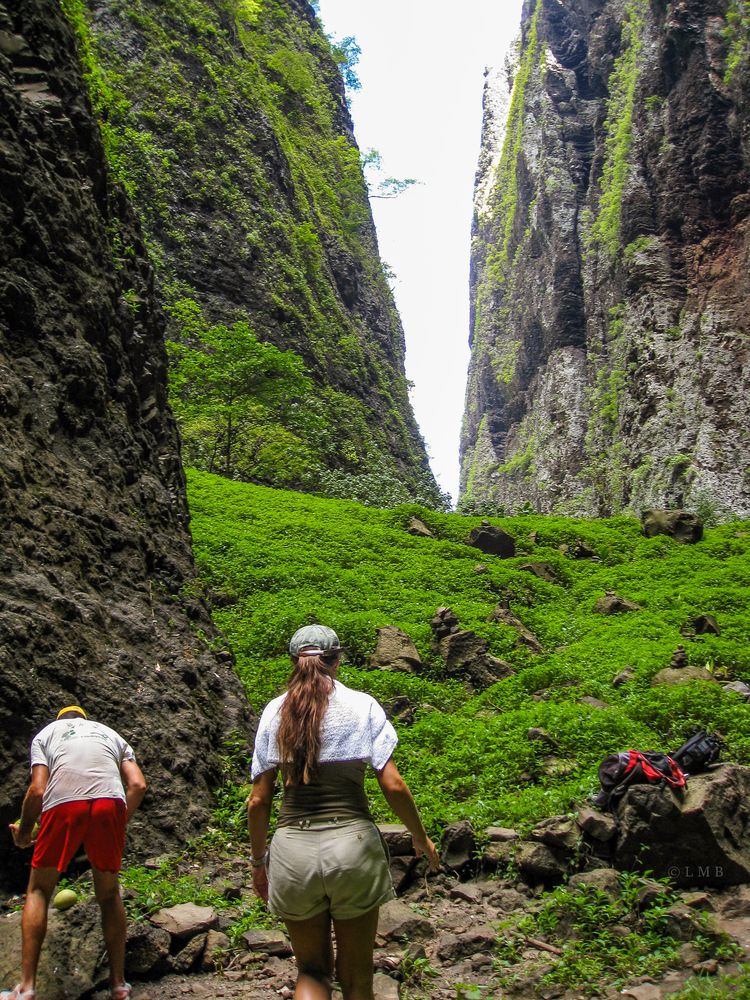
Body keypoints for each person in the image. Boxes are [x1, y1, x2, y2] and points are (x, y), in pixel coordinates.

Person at [247, 624, 440, 1000]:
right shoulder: (362, 705)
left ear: (293, 662)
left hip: (292, 851)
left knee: (312, 971)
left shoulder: (274, 712)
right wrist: (420, 836)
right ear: (337, 661)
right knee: (356, 978)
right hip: (352, 846)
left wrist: (258, 862)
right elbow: (394, 785)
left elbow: (258, 801)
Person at [1, 706, 147, 1000]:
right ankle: (119, 986)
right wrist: (119, 822)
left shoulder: (47, 734)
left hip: (64, 802)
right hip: (109, 802)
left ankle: (27, 987)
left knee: (40, 890)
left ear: (61, 720)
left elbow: (38, 791)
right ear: (84, 719)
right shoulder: (110, 734)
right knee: (108, 894)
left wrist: (26, 832)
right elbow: (137, 784)